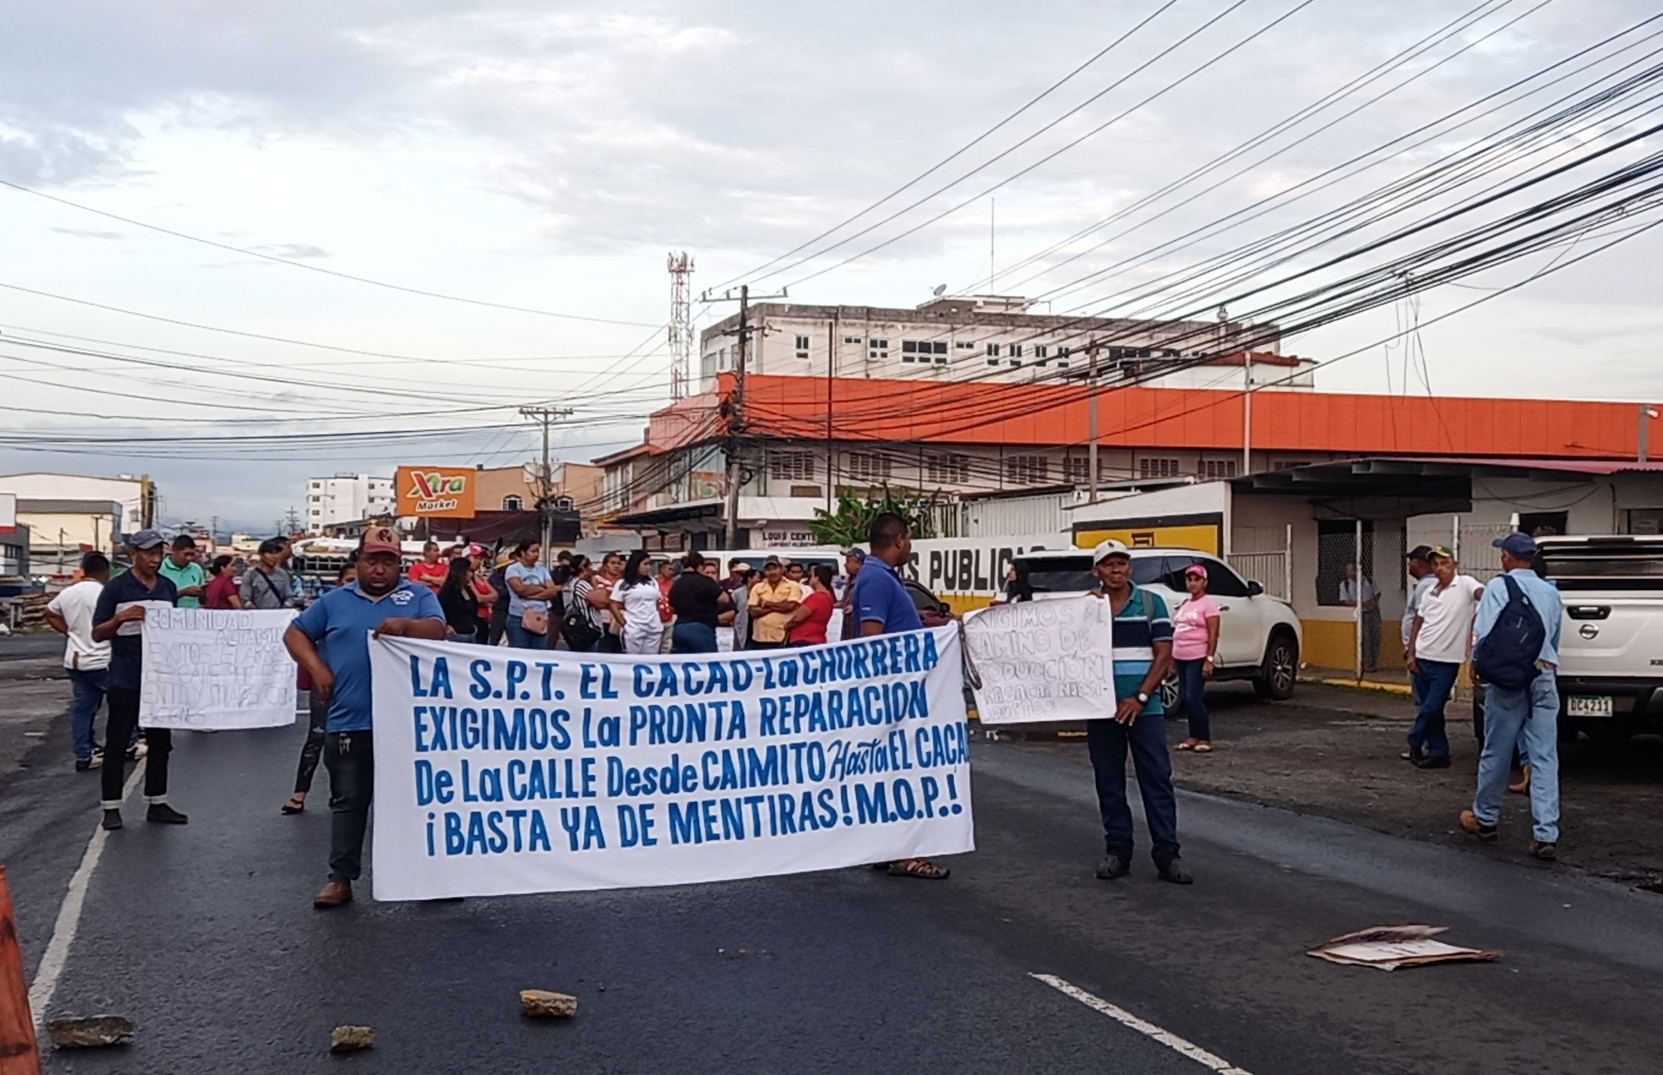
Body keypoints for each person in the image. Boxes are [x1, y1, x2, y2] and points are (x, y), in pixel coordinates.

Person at [285, 526, 445, 908]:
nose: (379, 569)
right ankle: (340, 878)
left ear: (399, 565)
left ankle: (429, 877)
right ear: (358, 562)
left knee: (418, 803)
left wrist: (406, 626)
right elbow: (295, 634)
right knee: (349, 801)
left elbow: (437, 630)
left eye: (388, 562)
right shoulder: (334, 600)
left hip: (409, 723)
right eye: (372, 560)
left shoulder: (418, 595)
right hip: (350, 719)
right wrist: (317, 668)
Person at [850, 513, 949, 881]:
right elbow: (873, 639)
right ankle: (905, 854)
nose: (910, 544)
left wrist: (927, 625)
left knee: (893, 771)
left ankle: (887, 846)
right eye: (909, 538)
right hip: (894, 691)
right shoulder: (875, 578)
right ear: (899, 541)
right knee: (902, 772)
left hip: (900, 688)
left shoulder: (883, 576)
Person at [1086, 540, 1190, 884]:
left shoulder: (1150, 603)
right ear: (1096, 570)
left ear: (1129, 568)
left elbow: (1164, 654)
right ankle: (1118, 851)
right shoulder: (1088, 608)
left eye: (1122, 564)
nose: (1116, 571)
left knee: (1157, 780)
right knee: (1109, 781)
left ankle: (1167, 855)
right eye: (1108, 565)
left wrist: (1141, 697)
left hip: (1145, 710)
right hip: (1103, 710)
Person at [1461, 532, 1564, 861]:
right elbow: (1555, 640)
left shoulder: (1499, 586)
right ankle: (1545, 833)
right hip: (1544, 674)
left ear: (1507, 557)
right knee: (1545, 755)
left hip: (1508, 678)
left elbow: (1486, 631)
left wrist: (1476, 662)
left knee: (1497, 749)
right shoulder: (1552, 592)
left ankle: (1486, 819)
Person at [91, 529, 186, 830]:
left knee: (161, 742)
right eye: (149, 553)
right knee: (118, 742)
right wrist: (119, 619)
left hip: (159, 676)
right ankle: (111, 808)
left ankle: (157, 801)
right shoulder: (116, 588)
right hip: (126, 674)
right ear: (134, 554)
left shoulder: (168, 587)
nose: (155, 559)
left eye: (159, 553)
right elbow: (97, 633)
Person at [284, 559, 358, 815]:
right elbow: (296, 636)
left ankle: (341, 793)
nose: (354, 585)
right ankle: (299, 794)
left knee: (349, 743)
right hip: (325, 687)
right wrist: (316, 669)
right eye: (350, 580)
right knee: (317, 739)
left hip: (354, 688)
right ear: (340, 582)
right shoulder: (328, 607)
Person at [1404, 546, 1483, 770]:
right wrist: (1411, 652)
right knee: (1432, 710)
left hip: (1446, 661)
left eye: (1444, 563)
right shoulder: (1429, 591)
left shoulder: (1465, 584)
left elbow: (1481, 593)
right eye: (1436, 564)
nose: (1440, 568)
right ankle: (1439, 752)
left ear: (1454, 564)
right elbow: (1418, 622)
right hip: (1422, 656)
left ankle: (1415, 740)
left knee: (1431, 706)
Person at [44, 551, 111, 771]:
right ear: (105, 572)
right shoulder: (106, 593)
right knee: (122, 703)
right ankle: (129, 744)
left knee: (83, 709)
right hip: (103, 659)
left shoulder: (68, 593)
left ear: (84, 570)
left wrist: (70, 632)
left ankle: (84, 753)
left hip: (75, 660)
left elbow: (49, 612)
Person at [1171, 563, 1221, 753]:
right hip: (1181, 656)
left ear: (1205, 582)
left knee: (1194, 697)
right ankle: (1193, 736)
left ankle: (1204, 737)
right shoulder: (1186, 604)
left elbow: (1213, 633)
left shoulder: (1208, 604)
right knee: (1186, 697)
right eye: (1189, 580)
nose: (1192, 584)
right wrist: (1172, 659)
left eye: (1196, 580)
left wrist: (1209, 659)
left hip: (1197, 656)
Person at [668, 551, 730, 653]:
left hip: (680, 629)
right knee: (706, 663)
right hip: (701, 629)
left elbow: (672, 608)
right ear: (699, 565)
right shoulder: (706, 581)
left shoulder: (676, 584)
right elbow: (724, 599)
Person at [503, 541, 557, 649]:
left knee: (538, 653)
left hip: (540, 617)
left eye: (537, 551)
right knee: (520, 651)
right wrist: (542, 588)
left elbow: (552, 591)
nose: (536, 554)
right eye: (533, 551)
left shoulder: (542, 569)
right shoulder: (513, 569)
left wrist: (532, 594)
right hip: (519, 617)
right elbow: (520, 589)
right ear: (523, 553)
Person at [1402, 546, 1437, 708]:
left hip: (1420, 651)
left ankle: (1423, 733)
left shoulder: (1425, 586)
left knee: (1423, 700)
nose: (1408, 565)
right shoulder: (1428, 584)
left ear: (1419, 562)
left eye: (1411, 561)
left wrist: (1411, 650)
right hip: (1422, 649)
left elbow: (1419, 620)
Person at [609, 551, 663, 655]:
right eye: (645, 564)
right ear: (636, 565)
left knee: (651, 661)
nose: (648, 567)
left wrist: (659, 619)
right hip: (634, 629)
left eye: (649, 564)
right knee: (632, 660)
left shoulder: (652, 582)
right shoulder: (623, 583)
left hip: (653, 629)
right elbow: (613, 605)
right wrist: (624, 624)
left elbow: (656, 603)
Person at [747, 556, 801, 650]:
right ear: (764, 572)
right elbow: (752, 612)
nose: (772, 572)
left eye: (775, 568)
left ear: (782, 569)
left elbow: (790, 606)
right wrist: (779, 605)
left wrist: (765, 603)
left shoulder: (793, 586)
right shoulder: (757, 587)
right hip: (759, 639)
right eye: (768, 569)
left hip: (782, 639)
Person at [1339, 561, 1382, 671]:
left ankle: (1374, 662)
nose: (1350, 573)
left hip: (1373, 612)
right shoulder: (1345, 584)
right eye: (1348, 571)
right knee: (1365, 638)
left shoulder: (1368, 581)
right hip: (1360, 614)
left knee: (1376, 637)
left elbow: (1377, 593)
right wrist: (1361, 603)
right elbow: (1345, 601)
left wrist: (1372, 602)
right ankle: (1366, 664)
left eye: (1352, 570)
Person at [564, 555, 607, 652]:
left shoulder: (572, 582)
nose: (592, 569)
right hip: (588, 629)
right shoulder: (581, 584)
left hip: (582, 629)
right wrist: (595, 584)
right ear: (583, 567)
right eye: (590, 565)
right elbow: (599, 602)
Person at [241, 538, 297, 610]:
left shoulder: (282, 574)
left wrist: (285, 606)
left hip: (279, 615)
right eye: (270, 553)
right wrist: (257, 610)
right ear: (261, 554)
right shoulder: (250, 575)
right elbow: (245, 600)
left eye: (276, 553)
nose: (274, 556)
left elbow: (289, 596)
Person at [787, 565, 836, 646]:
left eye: (811, 576)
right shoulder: (828, 596)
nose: (809, 579)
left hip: (805, 638)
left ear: (817, 579)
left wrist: (786, 626)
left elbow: (797, 618)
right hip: (816, 638)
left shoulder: (817, 597)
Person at [438, 557, 484, 642]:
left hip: (470, 634)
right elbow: (439, 609)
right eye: (469, 571)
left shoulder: (468, 589)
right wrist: (447, 625)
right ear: (461, 572)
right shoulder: (448, 590)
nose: (471, 574)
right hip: (455, 635)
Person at [159, 534, 206, 609]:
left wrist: (203, 593)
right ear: (174, 550)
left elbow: (203, 599)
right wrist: (183, 593)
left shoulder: (196, 569)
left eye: (192, 554)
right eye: (186, 554)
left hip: (192, 615)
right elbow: (158, 598)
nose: (189, 558)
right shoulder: (161, 569)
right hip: (169, 614)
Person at [839, 548, 867, 641]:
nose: (845, 565)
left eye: (848, 561)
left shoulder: (865, 580)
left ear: (858, 564)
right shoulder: (850, 580)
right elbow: (845, 602)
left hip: (858, 634)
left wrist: (854, 606)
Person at [486, 550, 512, 646]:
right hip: (498, 611)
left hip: (511, 610)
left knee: (513, 639)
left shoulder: (512, 577)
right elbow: (500, 593)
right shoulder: (494, 578)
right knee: (494, 638)